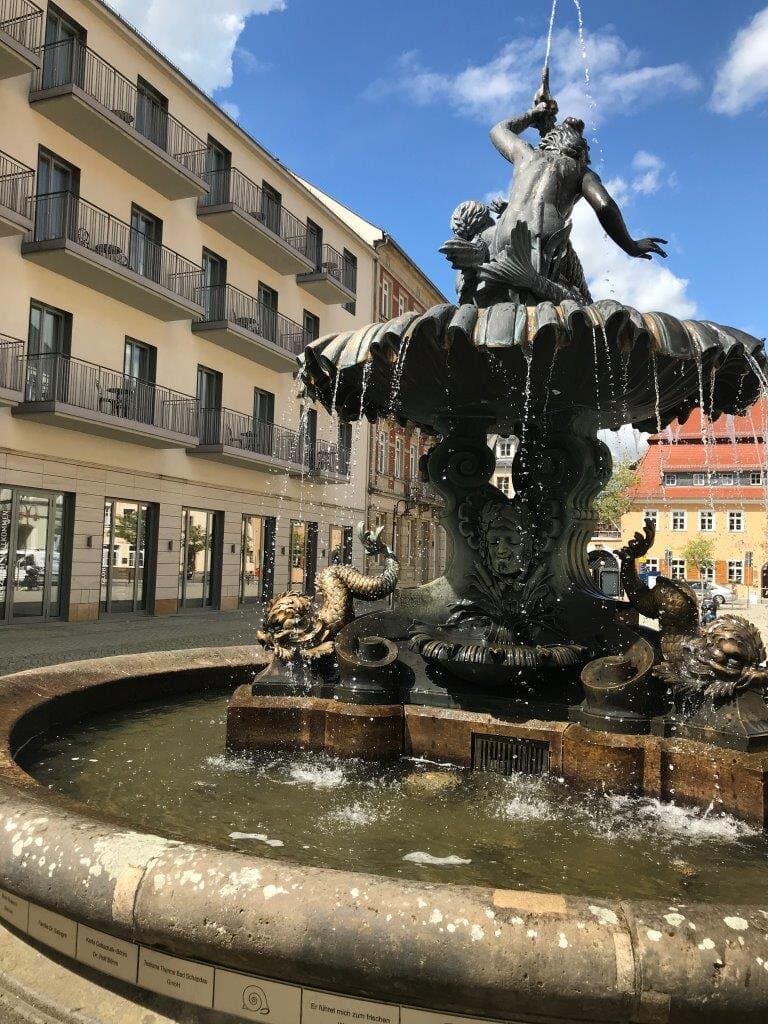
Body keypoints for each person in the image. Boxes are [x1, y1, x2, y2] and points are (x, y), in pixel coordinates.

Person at [441, 78, 667, 307]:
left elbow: (498, 130)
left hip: (504, 234)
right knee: (558, 304)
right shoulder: (581, 171)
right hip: (544, 240)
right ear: (581, 153)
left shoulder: (527, 154)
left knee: (511, 301)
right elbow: (605, 205)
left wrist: (534, 113)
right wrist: (631, 245)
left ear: (549, 141)